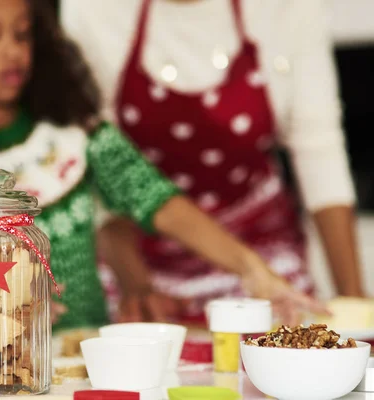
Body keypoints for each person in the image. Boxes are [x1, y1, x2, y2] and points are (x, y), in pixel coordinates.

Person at [0, 0, 327, 332]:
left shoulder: (75, 135)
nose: (13, 51)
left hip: (85, 363)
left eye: (23, 34)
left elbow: (158, 200)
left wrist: (252, 270)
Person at [61, 0, 365, 323]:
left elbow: (319, 150)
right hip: (143, 268)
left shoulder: (288, 9)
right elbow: (111, 176)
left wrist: (358, 312)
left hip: (268, 271)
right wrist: (135, 283)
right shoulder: (91, 11)